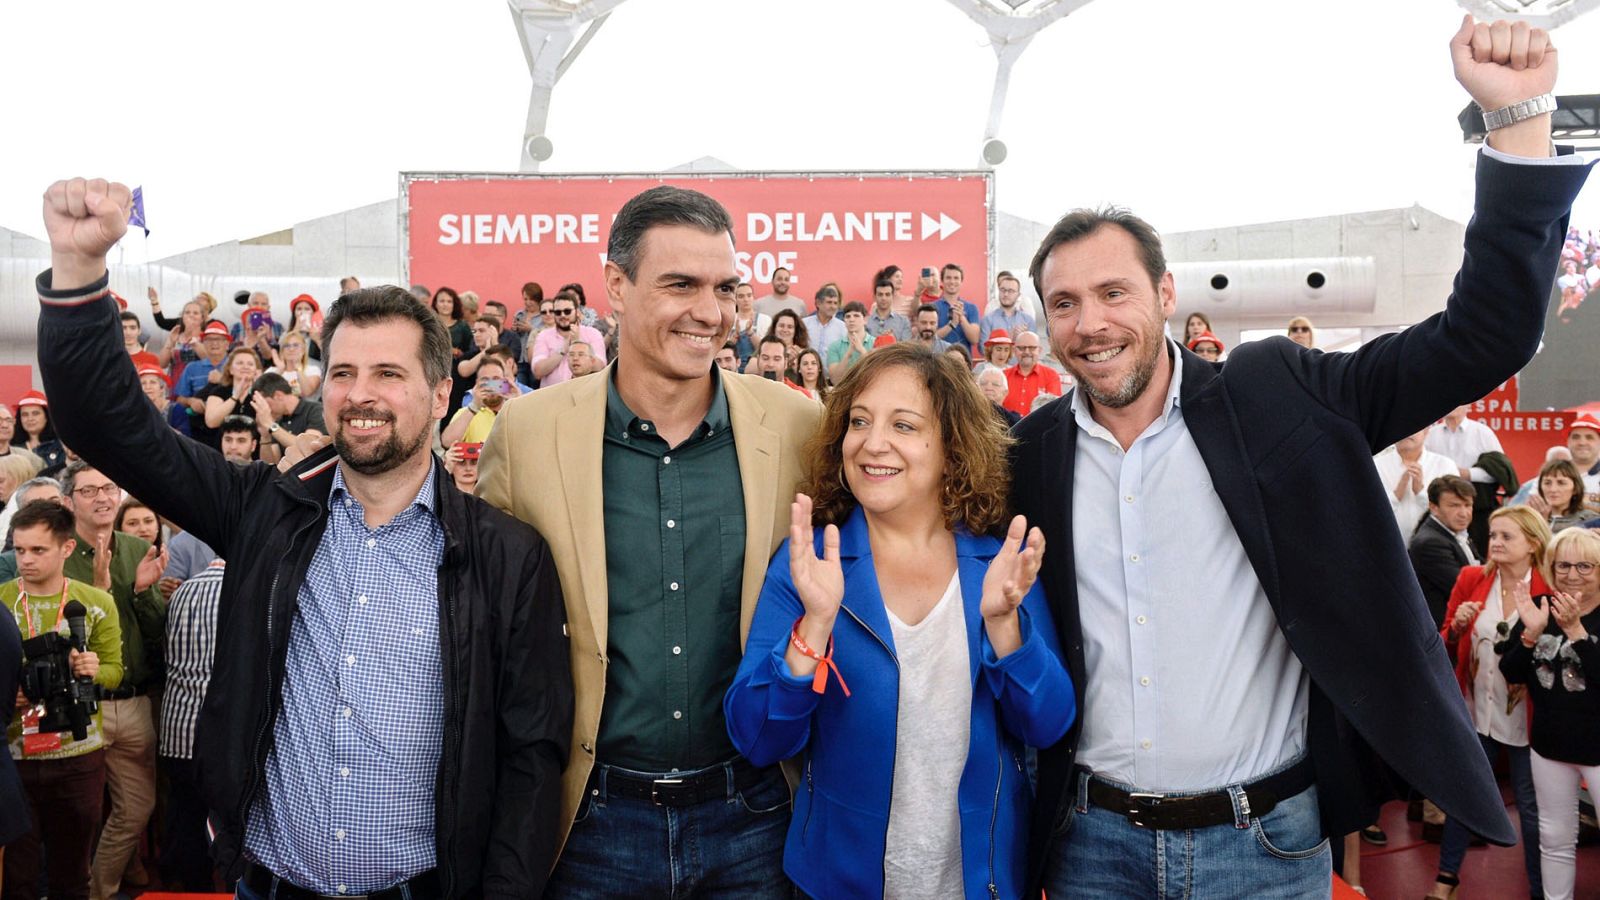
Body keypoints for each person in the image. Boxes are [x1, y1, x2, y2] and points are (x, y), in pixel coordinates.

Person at [1011, 20, 1589, 896]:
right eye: (1063, 303)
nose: (1088, 323)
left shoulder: (1275, 391)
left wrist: (1517, 126)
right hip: (1092, 848)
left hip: (1266, 849)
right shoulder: (1032, 454)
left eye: (1112, 292)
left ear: (1167, 296)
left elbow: (1484, 336)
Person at [36, 176, 574, 898]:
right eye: (345, 372)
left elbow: (531, 756)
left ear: (441, 395)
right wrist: (77, 271)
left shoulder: (507, 556)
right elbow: (108, 424)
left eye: (389, 373)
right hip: (269, 883)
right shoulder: (265, 511)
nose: (360, 394)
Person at [477, 184, 821, 897]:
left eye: (726, 288)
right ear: (617, 286)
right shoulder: (529, 432)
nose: (710, 312)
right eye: (681, 284)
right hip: (591, 823)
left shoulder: (795, 427)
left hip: (758, 818)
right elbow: (487, 629)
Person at [725, 343, 1075, 899]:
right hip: (836, 884)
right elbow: (759, 738)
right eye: (858, 421)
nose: (872, 442)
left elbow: (1049, 725)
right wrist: (812, 630)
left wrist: (1007, 629)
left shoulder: (997, 563)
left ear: (952, 447)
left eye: (904, 425)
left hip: (981, 883)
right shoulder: (809, 563)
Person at [1429, 505, 1551, 900]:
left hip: (1529, 720)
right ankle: (1446, 879)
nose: (1495, 542)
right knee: (1465, 797)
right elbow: (1444, 641)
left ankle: (1540, 889)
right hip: (1475, 710)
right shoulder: (1470, 578)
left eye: (1506, 536)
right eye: (1493, 535)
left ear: (1533, 544)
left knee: (1531, 812)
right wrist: (1457, 627)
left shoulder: (1550, 587)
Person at [3, 500, 123, 900]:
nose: (26, 560)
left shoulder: (95, 602)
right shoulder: (1, 600)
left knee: (72, 877)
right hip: (12, 756)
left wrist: (91, 669)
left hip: (79, 755)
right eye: (19, 550)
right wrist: (8, 695)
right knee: (16, 878)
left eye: (38, 550)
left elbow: (115, 671)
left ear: (66, 549)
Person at [1500, 527, 1600, 900]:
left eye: (1584, 566)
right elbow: (1510, 673)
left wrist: (1575, 631)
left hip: (1598, 750)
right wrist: (1529, 636)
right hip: (1549, 747)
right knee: (1554, 838)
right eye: (1562, 566)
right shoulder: (1540, 607)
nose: (1572, 574)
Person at [158, 555, 224, 892]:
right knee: (224, 823)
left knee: (185, 816)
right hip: (220, 734)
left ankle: (191, 888)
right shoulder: (241, 589)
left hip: (177, 727)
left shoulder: (182, 592)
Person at [1409, 475, 1480, 629]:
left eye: (1467, 505)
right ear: (1434, 507)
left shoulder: (1455, 531)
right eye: (1454, 506)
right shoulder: (1431, 543)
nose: (1463, 513)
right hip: (1442, 630)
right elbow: (1464, 587)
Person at [1375, 426, 1461, 542]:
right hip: (1388, 546)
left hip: (1435, 547)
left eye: (1415, 425)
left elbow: (1453, 511)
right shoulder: (1376, 465)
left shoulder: (1444, 465)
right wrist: (1396, 495)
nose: (1407, 432)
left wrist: (1421, 492)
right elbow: (1368, 511)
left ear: (1426, 431)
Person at [531, 290, 608, 388]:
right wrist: (563, 350)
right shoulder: (543, 335)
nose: (563, 315)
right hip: (553, 396)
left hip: (585, 391)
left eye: (567, 311)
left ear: (577, 312)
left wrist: (577, 343)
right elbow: (537, 371)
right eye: (558, 312)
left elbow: (600, 367)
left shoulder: (593, 334)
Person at [1003, 331, 1061, 419]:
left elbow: (1054, 409)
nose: (1027, 352)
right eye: (1022, 348)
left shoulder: (1051, 376)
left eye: (1032, 348)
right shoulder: (1003, 376)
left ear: (1040, 350)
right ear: (1014, 350)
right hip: (1008, 430)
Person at [1536, 458, 1600, 532]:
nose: (1553, 489)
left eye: (1561, 483)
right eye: (1547, 483)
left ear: (1575, 488)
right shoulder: (1529, 519)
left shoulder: (1591, 521)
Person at [11, 393, 65, 479]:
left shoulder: (61, 446)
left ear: (47, 417)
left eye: (35, 413)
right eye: (25, 415)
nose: (30, 418)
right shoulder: (11, 447)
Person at [933, 263, 981, 358]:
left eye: (956, 278)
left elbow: (974, 339)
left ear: (961, 281)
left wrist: (962, 318)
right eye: (948, 278)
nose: (952, 281)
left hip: (963, 363)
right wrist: (952, 324)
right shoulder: (932, 307)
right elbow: (931, 338)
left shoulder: (972, 308)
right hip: (939, 362)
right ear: (942, 281)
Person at [980, 270, 1036, 345]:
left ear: (1018, 295)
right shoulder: (988, 320)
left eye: (1011, 291)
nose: (1006, 294)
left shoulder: (1028, 320)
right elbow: (983, 348)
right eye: (1003, 290)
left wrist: (1023, 338)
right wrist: (1008, 339)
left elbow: (1033, 348)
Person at [266, 329, 323, 398]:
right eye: (287, 346)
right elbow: (263, 392)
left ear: (303, 350)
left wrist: (298, 367)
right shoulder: (272, 371)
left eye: (295, 345)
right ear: (282, 351)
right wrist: (280, 370)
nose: (291, 349)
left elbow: (307, 392)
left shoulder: (312, 370)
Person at [826, 301, 872, 382]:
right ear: (844, 321)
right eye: (848, 316)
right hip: (844, 391)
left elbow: (877, 373)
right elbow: (834, 380)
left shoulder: (876, 342)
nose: (851, 319)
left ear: (865, 319)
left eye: (856, 315)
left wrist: (862, 350)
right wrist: (848, 354)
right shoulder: (834, 347)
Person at [801, 283, 846, 356]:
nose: (833, 306)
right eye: (829, 302)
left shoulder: (843, 327)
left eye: (835, 303)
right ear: (818, 303)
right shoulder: (804, 324)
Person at [864, 277, 911, 344]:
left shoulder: (903, 321)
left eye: (887, 294)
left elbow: (907, 349)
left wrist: (892, 340)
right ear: (874, 297)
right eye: (880, 294)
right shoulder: (866, 322)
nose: (884, 298)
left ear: (892, 296)